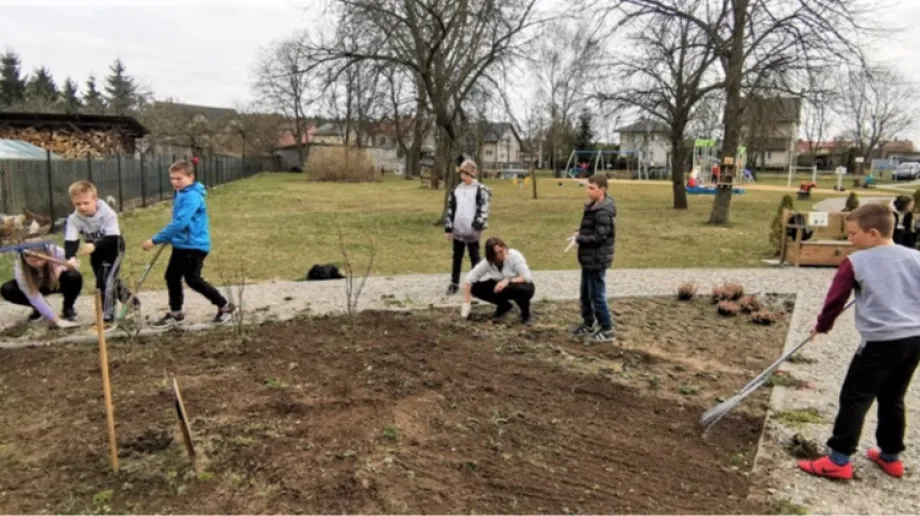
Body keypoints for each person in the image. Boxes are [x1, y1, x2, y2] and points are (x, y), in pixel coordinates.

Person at [798, 203, 920, 481]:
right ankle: (891, 457)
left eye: (853, 233)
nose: (849, 239)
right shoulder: (916, 257)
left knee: (855, 396)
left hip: (880, 342)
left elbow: (835, 300)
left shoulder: (856, 262)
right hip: (914, 340)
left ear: (873, 233)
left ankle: (838, 459)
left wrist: (822, 326)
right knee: (893, 397)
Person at [142, 160, 235, 327]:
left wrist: (155, 240)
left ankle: (224, 306)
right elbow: (180, 221)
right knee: (172, 276)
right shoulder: (182, 193)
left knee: (193, 279)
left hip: (194, 246)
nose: (175, 182)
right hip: (182, 244)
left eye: (179, 178)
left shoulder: (192, 196)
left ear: (191, 177)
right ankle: (176, 313)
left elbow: (180, 222)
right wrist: (173, 237)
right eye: (172, 179)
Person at [64, 180, 138, 329]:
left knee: (104, 282)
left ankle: (107, 317)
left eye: (86, 203)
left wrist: (94, 245)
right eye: (77, 204)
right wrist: (71, 257)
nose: (82, 207)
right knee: (108, 280)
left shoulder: (108, 213)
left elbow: (112, 238)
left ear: (95, 200)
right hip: (96, 253)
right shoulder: (73, 219)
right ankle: (132, 301)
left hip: (114, 248)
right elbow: (71, 240)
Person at [570, 174, 617, 343]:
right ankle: (589, 323)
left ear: (602, 190)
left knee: (597, 296)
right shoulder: (592, 206)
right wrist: (580, 233)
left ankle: (607, 330)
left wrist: (580, 239)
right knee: (585, 294)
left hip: (597, 260)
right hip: (587, 259)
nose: (588, 190)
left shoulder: (603, 211)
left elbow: (600, 237)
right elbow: (591, 231)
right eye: (588, 187)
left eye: (592, 187)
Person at [0, 244, 82, 328]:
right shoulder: (20, 269)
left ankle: (68, 307)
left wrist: (60, 269)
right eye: (33, 261)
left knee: (74, 276)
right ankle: (39, 310)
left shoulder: (56, 251)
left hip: (54, 283)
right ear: (25, 257)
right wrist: (58, 321)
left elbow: (75, 265)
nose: (38, 263)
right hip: (35, 286)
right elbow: (34, 297)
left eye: (41, 259)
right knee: (7, 289)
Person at [460, 237, 535, 325]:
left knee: (525, 290)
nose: (503, 253)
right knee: (475, 288)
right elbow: (469, 279)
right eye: (498, 252)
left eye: (503, 249)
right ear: (491, 256)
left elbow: (527, 277)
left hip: (517, 285)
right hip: (500, 288)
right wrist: (466, 303)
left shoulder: (515, 256)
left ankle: (526, 314)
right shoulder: (487, 263)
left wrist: (508, 281)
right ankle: (504, 306)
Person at [444, 159, 491, 295]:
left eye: (466, 174)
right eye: (462, 174)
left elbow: (483, 209)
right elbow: (451, 209)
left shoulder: (480, 190)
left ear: (472, 174)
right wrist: (448, 228)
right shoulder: (457, 190)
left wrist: (478, 226)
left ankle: (476, 283)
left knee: (474, 256)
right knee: (457, 256)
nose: (463, 177)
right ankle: (454, 283)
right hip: (458, 230)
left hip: (472, 232)